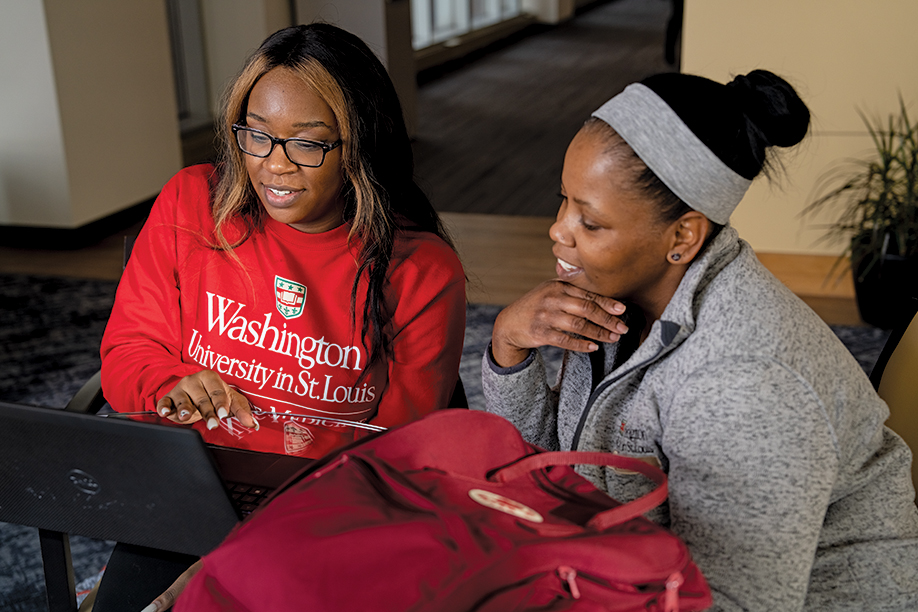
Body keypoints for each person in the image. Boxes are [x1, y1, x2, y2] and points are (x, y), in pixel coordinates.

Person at [483, 70, 918, 611]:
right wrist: (510, 348)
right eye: (563, 201)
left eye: (589, 222)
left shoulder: (745, 382)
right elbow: (548, 472)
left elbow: (734, 601)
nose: (558, 230)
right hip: (626, 568)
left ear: (682, 236)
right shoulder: (616, 296)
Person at [95, 22, 465, 611]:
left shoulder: (421, 268)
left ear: (358, 144)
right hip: (188, 488)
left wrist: (243, 552)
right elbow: (127, 351)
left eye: (308, 142)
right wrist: (171, 384)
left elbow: (394, 451)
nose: (274, 165)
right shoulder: (194, 201)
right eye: (257, 135)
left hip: (329, 510)